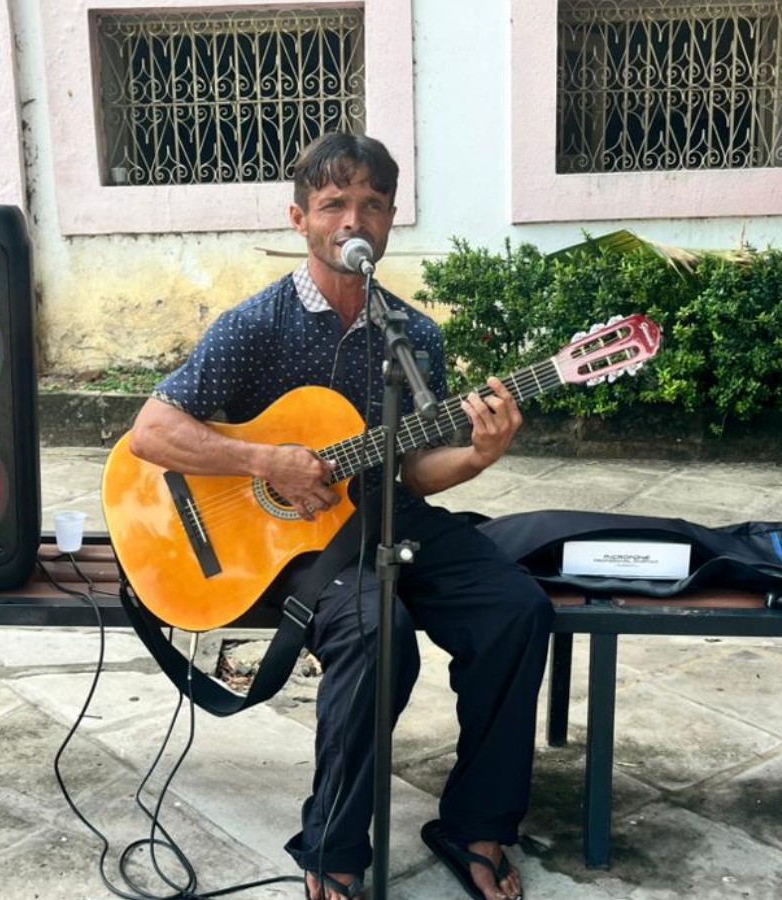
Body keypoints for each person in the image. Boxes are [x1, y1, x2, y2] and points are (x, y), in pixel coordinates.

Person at [125, 133, 553, 900]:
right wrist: (266, 462)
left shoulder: (413, 335)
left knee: (516, 609)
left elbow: (415, 467)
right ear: (301, 219)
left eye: (372, 205)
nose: (353, 219)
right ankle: (333, 850)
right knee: (377, 635)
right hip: (310, 548)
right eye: (334, 204)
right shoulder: (258, 325)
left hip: (394, 516)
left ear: (390, 220)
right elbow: (152, 432)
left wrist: (479, 456)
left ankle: (476, 825)